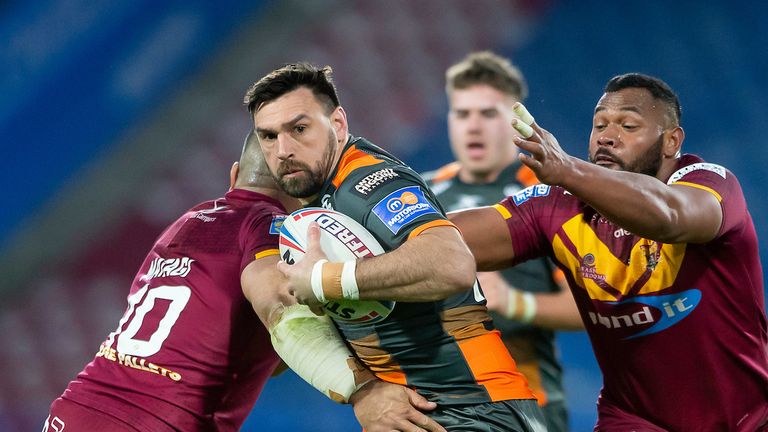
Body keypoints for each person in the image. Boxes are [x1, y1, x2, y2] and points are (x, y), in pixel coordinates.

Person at [43, 131, 446, 432]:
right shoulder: (270, 227)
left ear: (235, 174)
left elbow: (230, 344)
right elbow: (283, 314)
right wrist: (365, 392)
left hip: (75, 408)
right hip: (155, 422)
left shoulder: (183, 224)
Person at [449, 73, 768, 431]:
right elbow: (441, 240)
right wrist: (382, 225)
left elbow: (670, 216)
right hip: (635, 419)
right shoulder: (555, 209)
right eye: (599, 124)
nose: (607, 136)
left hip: (751, 418)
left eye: (628, 125)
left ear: (671, 141)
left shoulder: (710, 183)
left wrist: (568, 169)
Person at [244, 62, 546, 431]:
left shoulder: (367, 182)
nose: (283, 150)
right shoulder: (316, 201)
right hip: (433, 414)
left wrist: (326, 281)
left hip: (475, 410)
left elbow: (451, 264)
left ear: (338, 124)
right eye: (269, 137)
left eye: (299, 129)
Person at [422, 51, 583, 432]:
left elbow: (594, 302)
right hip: (431, 405)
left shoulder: (551, 193)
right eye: (462, 114)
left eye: (488, 114)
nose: (473, 126)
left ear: (514, 124)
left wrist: (515, 302)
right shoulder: (415, 195)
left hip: (526, 405)